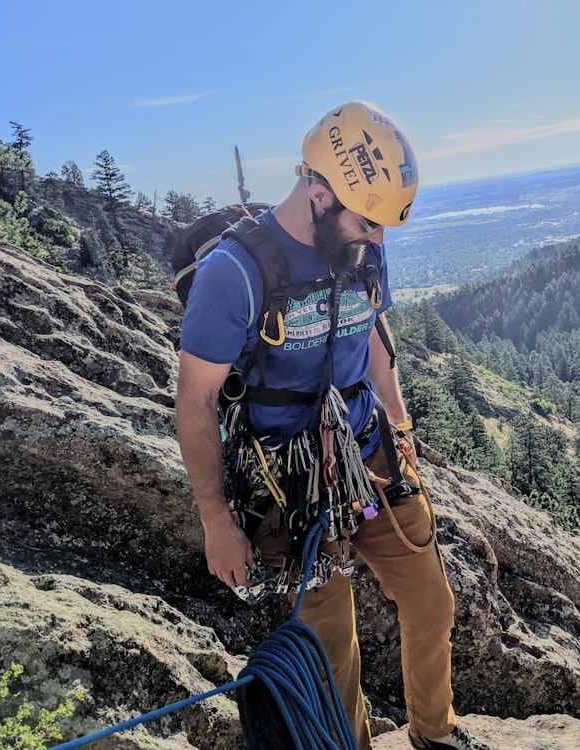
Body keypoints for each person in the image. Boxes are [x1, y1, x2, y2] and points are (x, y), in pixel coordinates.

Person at [175, 101, 495, 750]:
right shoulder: (233, 275)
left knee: (431, 598)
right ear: (318, 194)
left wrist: (399, 429)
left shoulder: (360, 246)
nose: (379, 240)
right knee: (333, 641)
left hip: (368, 451)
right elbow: (194, 403)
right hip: (286, 481)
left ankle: (435, 733)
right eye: (368, 222)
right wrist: (217, 521)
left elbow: (374, 337)